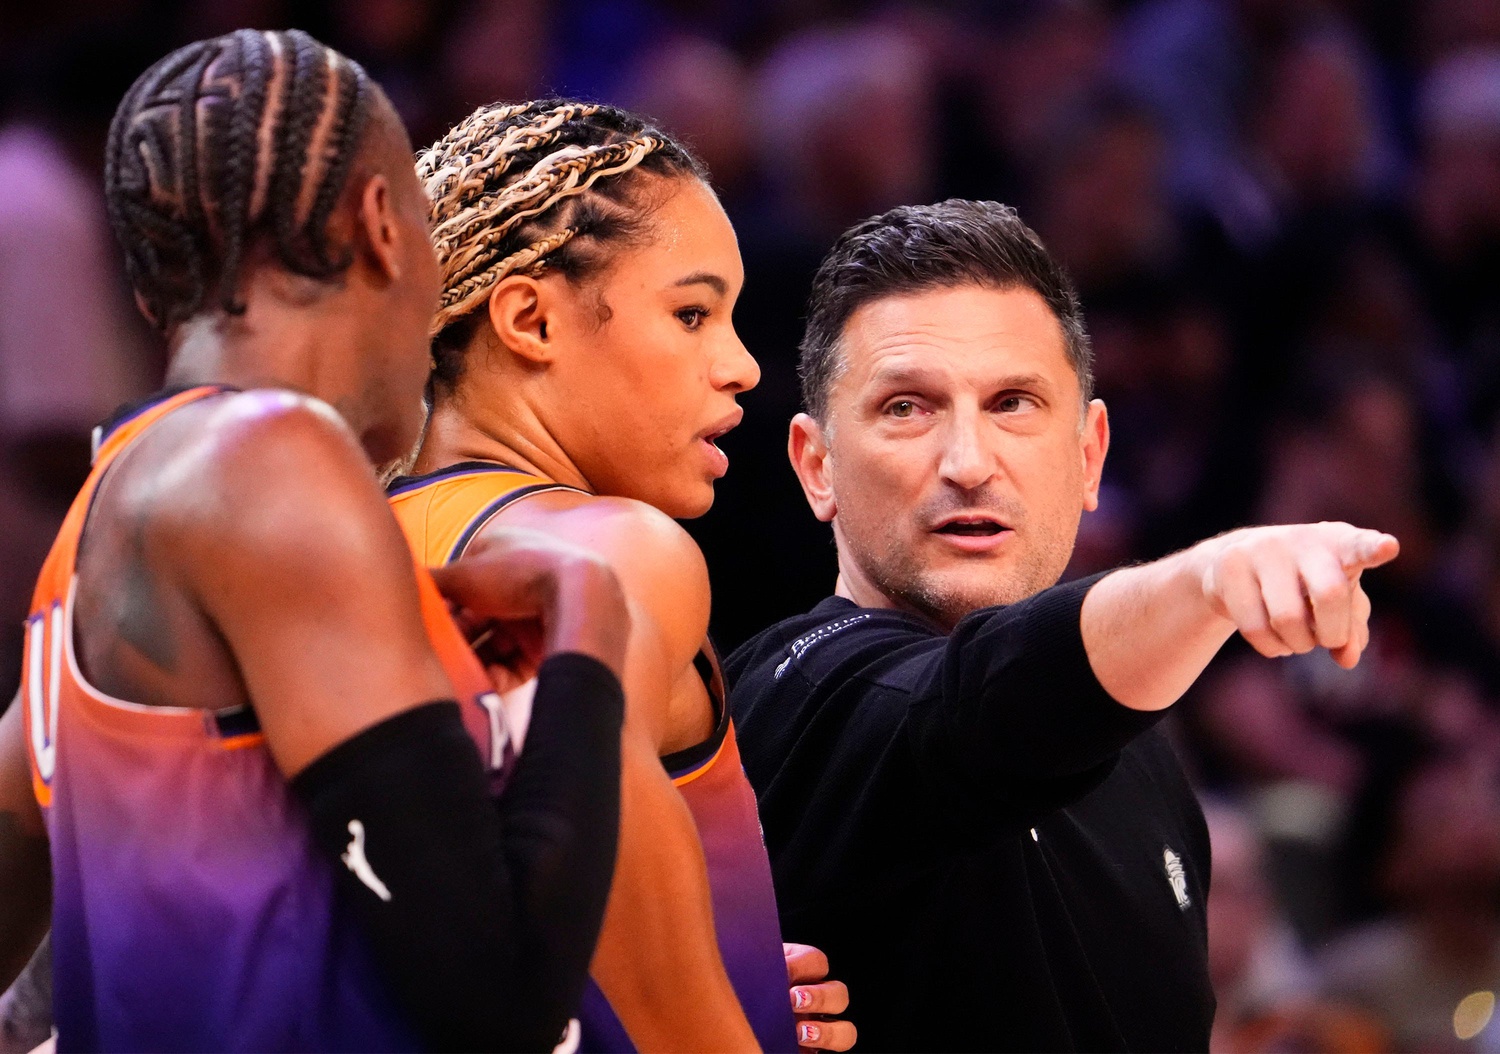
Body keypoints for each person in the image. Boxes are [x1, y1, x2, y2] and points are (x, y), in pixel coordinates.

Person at [0, 31, 630, 1052]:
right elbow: (501, 1002)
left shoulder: (101, 512)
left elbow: (54, 963)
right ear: (381, 224)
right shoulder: (273, 454)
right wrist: (590, 631)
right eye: (433, 234)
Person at [727, 199, 1400, 1052]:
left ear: (1089, 456)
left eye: (1013, 403)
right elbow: (981, 698)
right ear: (816, 466)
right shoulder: (797, 695)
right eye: (906, 408)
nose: (968, 463)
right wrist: (1209, 577)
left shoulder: (1144, 759)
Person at [403, 98, 854, 1053]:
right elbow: (565, 812)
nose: (738, 366)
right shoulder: (614, 552)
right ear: (529, 318)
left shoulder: (340, 548)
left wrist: (694, 964)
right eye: (691, 314)